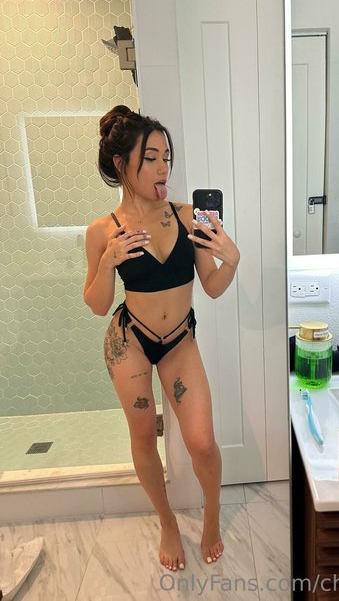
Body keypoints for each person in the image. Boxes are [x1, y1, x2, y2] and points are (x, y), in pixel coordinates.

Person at [83, 105, 240, 572]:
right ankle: (167, 522)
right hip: (128, 341)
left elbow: (212, 287)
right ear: (121, 164)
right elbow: (96, 304)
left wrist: (231, 259)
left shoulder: (190, 216)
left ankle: (211, 517)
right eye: (150, 158)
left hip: (178, 342)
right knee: (143, 438)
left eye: (166, 158)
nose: (163, 168)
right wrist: (108, 262)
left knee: (202, 443)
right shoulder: (102, 231)